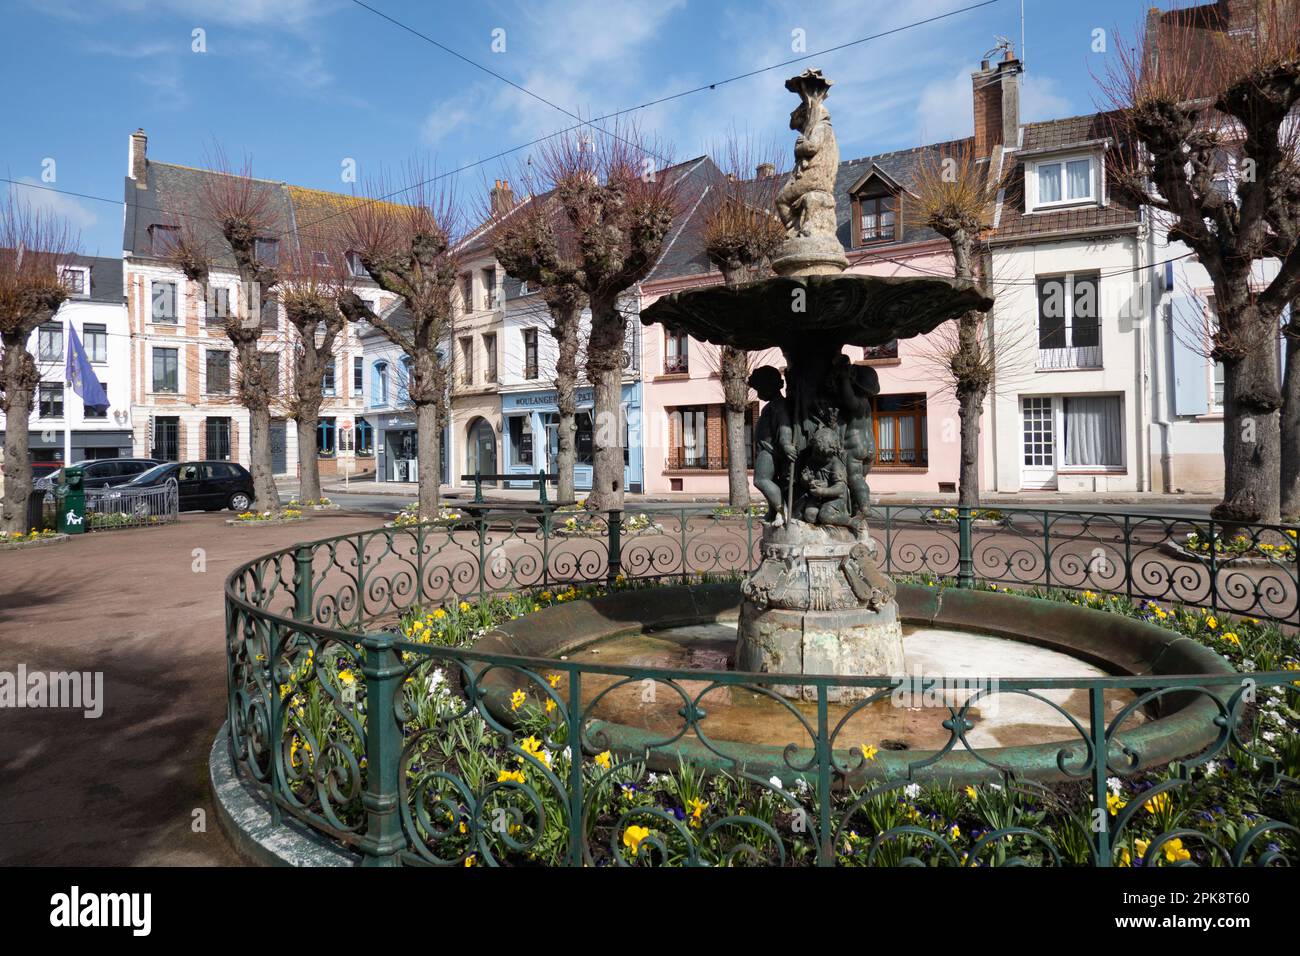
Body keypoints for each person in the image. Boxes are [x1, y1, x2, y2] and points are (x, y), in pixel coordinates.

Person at [748, 366, 796, 524]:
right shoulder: (771, 406)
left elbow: (785, 426)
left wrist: (786, 443)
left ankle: (782, 511)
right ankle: (774, 511)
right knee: (772, 482)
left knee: (761, 480)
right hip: (765, 448)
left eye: (760, 389)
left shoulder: (778, 405)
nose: (759, 393)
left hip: (769, 450)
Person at [798, 426, 853, 526]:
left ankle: (850, 522)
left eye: (823, 455)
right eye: (816, 453)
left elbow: (840, 488)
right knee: (810, 515)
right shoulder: (811, 461)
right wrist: (806, 480)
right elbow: (805, 481)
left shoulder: (835, 463)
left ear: (832, 452)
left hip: (836, 498)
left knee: (824, 516)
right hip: (817, 496)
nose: (819, 457)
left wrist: (823, 491)